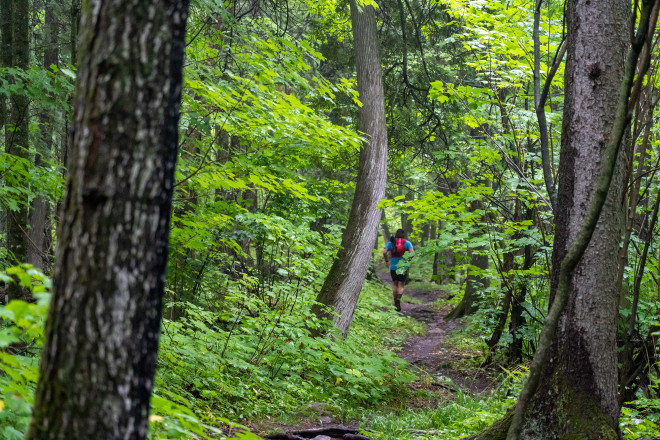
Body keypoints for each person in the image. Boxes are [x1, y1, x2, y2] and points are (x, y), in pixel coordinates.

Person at [382, 229, 414, 312]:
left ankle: (395, 301)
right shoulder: (407, 243)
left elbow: (384, 251)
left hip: (393, 266)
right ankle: (399, 298)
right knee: (401, 285)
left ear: (396, 234)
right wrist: (408, 260)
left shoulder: (392, 242)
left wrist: (386, 261)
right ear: (403, 235)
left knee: (395, 284)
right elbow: (412, 253)